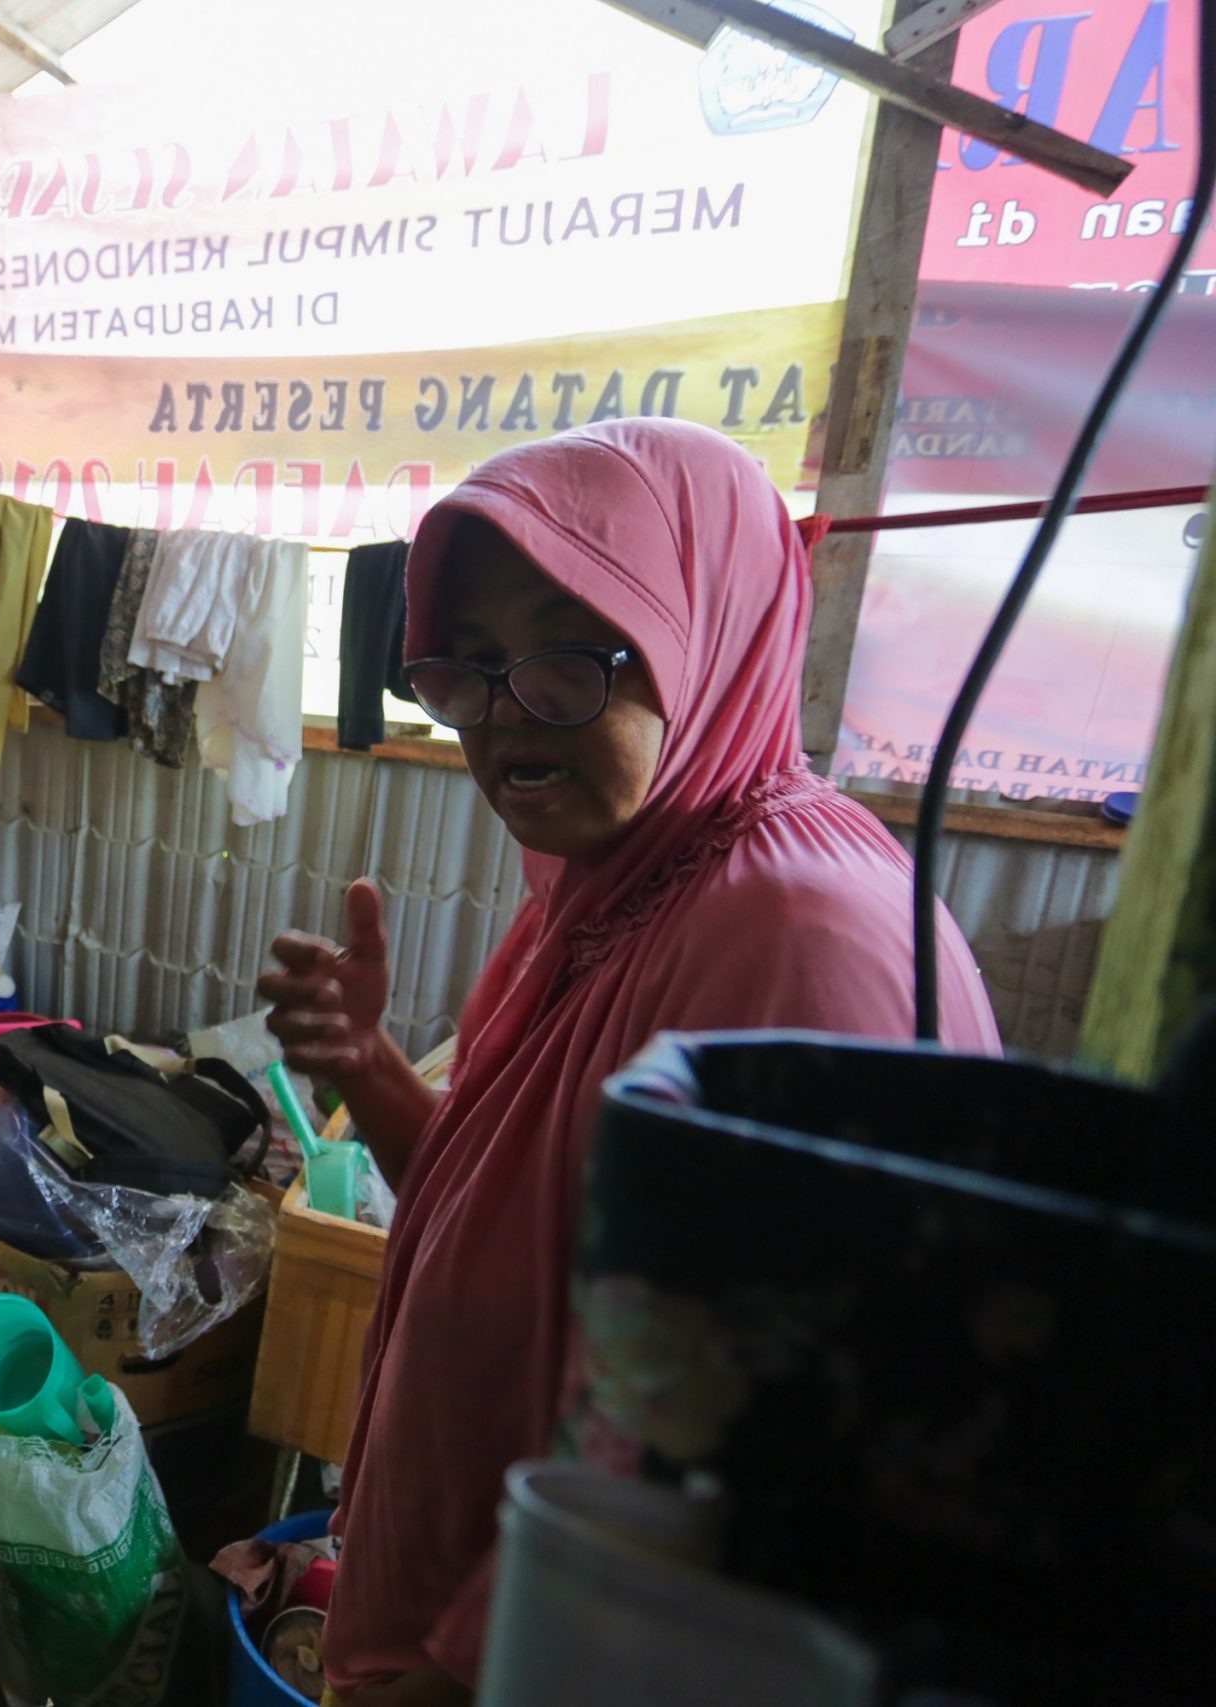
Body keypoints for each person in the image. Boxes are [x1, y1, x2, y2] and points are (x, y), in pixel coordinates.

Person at [258, 418, 1001, 1706]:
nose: (503, 720)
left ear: (711, 634)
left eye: (568, 658)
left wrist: (449, 1678)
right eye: (470, 668)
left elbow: (734, 1458)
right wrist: (372, 1071)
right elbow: (538, 1239)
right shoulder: (604, 895)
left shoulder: (802, 944)